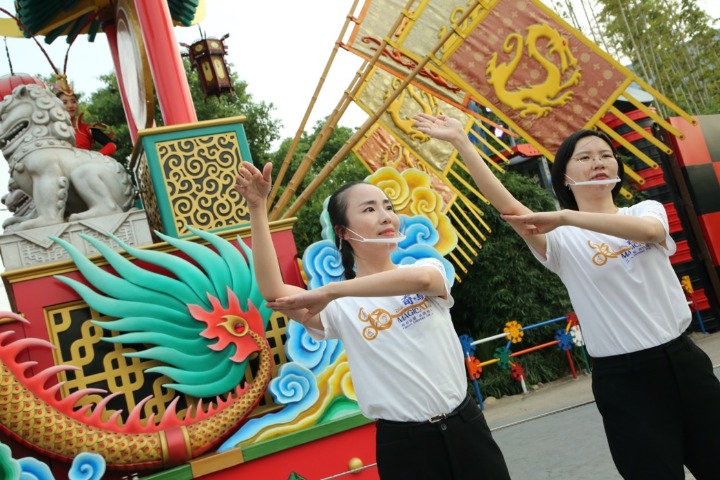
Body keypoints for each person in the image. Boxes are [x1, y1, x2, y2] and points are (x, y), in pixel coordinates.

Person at [413, 113, 720, 480]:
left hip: (683, 362)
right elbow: (510, 209)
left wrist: (567, 218)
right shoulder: (559, 240)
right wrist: (463, 143)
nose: (598, 162)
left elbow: (650, 231)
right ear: (565, 176)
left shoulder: (642, 210)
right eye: (585, 157)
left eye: (605, 155)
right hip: (624, 382)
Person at [234, 161, 511, 480]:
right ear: (342, 231)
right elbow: (272, 290)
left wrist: (331, 290)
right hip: (406, 447)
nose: (385, 216)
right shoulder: (339, 307)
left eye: (388, 207)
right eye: (369, 209)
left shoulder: (424, 269)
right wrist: (257, 208)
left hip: (468, 428)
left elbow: (421, 281)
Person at [55, 89, 117, 156]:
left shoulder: (87, 128)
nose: (70, 105)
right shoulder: (53, 130)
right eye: (65, 102)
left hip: (85, 165)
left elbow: (111, 145)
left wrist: (95, 158)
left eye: (74, 101)